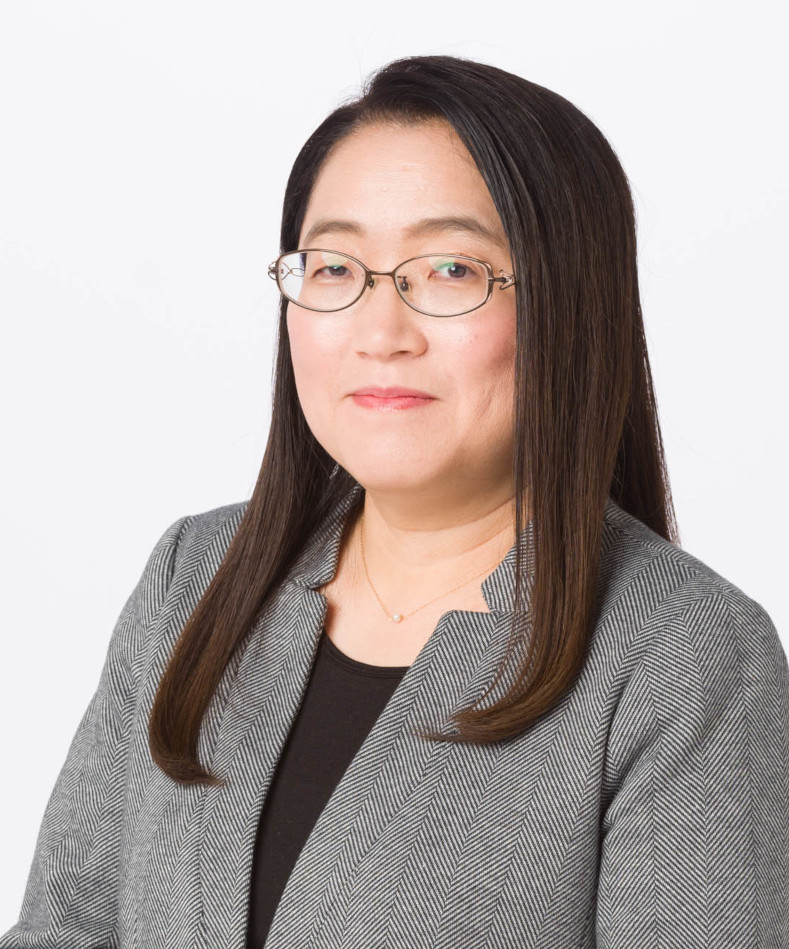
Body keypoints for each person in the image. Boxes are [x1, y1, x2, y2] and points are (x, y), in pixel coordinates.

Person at [2, 54, 787, 949]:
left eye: (449, 269)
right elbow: (62, 928)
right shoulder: (195, 579)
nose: (379, 333)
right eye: (334, 268)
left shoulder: (682, 653)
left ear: (570, 304)